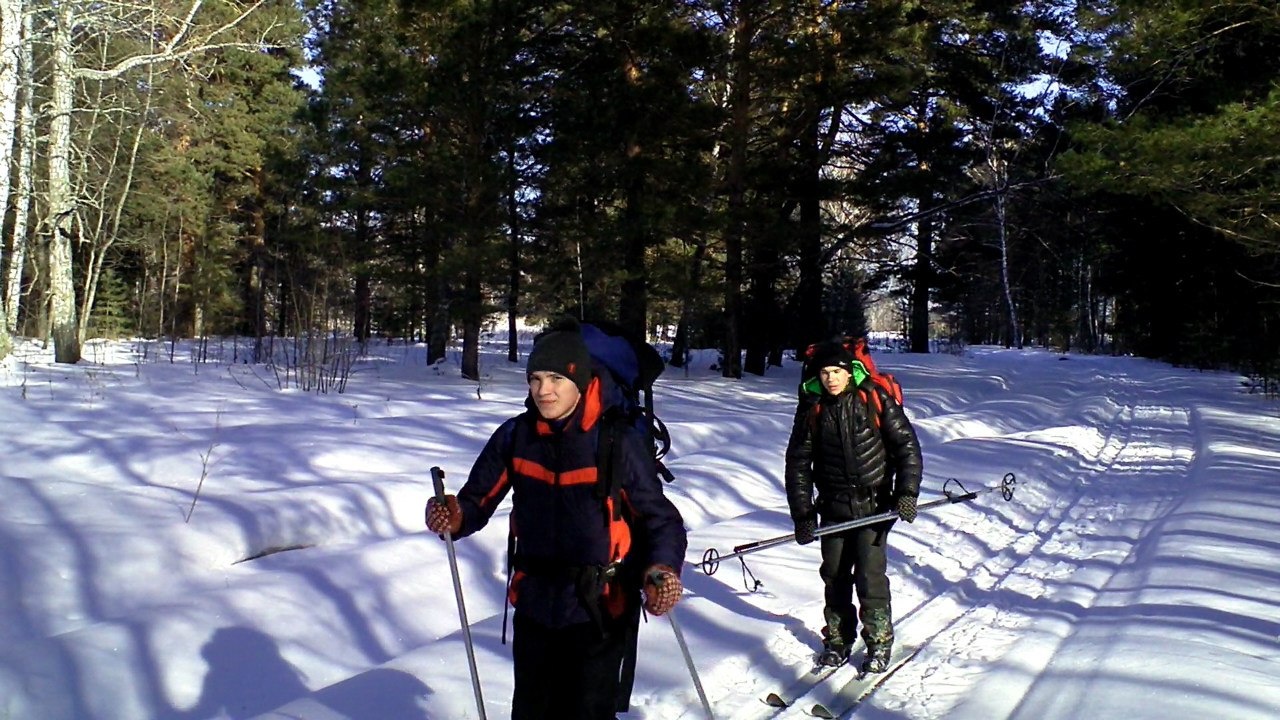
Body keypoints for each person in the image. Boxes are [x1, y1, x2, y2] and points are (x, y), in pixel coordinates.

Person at [426, 320, 688, 720]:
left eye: (555, 378)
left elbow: (661, 521)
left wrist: (661, 568)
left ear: (579, 381)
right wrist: (453, 515)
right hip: (535, 603)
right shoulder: (516, 436)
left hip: (598, 607)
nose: (543, 390)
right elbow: (477, 501)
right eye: (534, 379)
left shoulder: (616, 442)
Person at [784, 338, 923, 673]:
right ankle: (838, 640)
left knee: (869, 576)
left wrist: (906, 493)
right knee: (834, 576)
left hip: (875, 506)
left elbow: (907, 447)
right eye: (825, 372)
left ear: (851, 372)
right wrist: (803, 515)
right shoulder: (812, 409)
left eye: (837, 371)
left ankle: (878, 641)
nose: (831, 378)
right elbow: (798, 465)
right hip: (833, 509)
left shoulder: (873, 399)